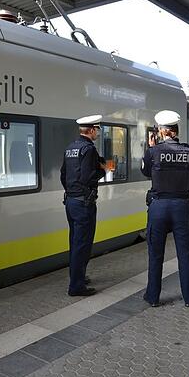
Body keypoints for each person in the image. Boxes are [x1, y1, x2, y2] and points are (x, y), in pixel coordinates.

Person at [141, 110, 189, 307]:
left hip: (158, 207)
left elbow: (146, 172)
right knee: (185, 255)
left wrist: (151, 148)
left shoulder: (153, 151)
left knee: (155, 255)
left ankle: (153, 297)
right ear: (176, 130)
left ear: (161, 131)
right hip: (182, 207)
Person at [60, 115, 107, 296]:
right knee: (83, 244)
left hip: (71, 201)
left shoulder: (71, 148)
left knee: (75, 242)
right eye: (97, 130)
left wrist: (72, 191)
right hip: (83, 204)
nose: (98, 134)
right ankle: (76, 287)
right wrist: (103, 170)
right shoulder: (89, 149)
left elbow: (63, 175)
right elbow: (88, 177)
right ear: (92, 130)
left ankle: (77, 277)